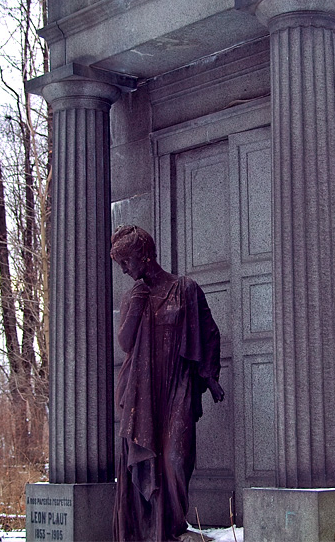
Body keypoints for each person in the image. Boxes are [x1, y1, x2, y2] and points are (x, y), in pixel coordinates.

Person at [110, 225, 224, 542]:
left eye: (126, 262)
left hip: (178, 384)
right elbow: (125, 342)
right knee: (147, 460)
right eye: (120, 265)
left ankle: (174, 527)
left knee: (175, 458)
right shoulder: (134, 295)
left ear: (145, 256)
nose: (124, 270)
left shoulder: (185, 289)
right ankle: (149, 529)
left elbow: (209, 334)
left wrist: (210, 376)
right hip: (143, 390)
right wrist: (136, 302)